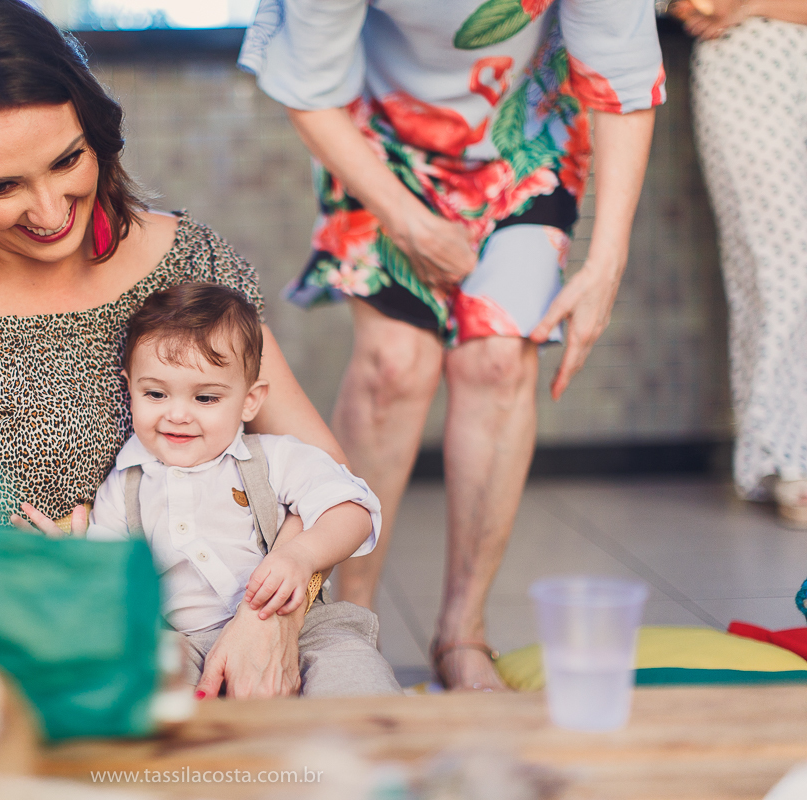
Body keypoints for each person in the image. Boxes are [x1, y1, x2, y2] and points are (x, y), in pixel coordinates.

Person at [0, 0, 346, 699]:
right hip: (39, 671)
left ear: (96, 135)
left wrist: (271, 617)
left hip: (245, 630)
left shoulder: (188, 260)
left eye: (67, 161)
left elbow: (327, 474)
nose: (49, 209)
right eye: (1, 186)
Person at [240, 0, 663, 689]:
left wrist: (605, 263)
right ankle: (349, 622)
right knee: (394, 366)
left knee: (497, 360)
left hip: (524, 131)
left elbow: (621, 74)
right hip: (370, 130)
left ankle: (462, 634)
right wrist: (406, 220)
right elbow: (310, 90)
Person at [14, 284, 401, 696]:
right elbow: (112, 579)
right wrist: (74, 562)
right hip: (181, 641)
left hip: (305, 628)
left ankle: (374, 752)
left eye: (205, 397)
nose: (177, 414)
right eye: (155, 393)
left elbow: (351, 509)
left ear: (250, 401)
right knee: (147, 688)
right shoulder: (124, 486)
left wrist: (301, 555)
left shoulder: (274, 457)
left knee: (356, 677)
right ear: (129, 390)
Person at [671, 0, 807, 527]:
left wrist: (755, 3)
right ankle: (785, 456)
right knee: (780, 263)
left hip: (764, 36)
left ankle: (780, 452)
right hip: (746, 66)